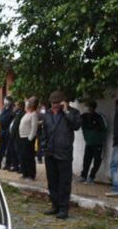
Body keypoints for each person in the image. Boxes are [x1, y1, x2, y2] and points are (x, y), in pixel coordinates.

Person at [39, 90, 81, 219]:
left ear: (63, 102)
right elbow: (44, 132)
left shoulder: (73, 113)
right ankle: (55, 205)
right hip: (50, 153)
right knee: (52, 182)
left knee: (64, 182)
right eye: (52, 103)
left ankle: (64, 208)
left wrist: (66, 111)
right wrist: (44, 146)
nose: (54, 105)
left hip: (64, 153)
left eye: (57, 103)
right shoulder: (47, 114)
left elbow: (76, 126)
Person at [79, 100, 107, 183]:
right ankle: (83, 176)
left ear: (93, 107)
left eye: (90, 107)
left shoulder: (99, 117)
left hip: (98, 143)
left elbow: (104, 129)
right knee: (86, 160)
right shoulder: (84, 117)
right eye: (88, 107)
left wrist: (100, 139)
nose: (88, 108)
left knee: (97, 160)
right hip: (89, 143)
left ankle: (91, 177)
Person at [18, 96, 38, 179]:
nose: (28, 104)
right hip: (22, 137)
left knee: (29, 157)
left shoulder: (34, 114)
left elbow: (34, 128)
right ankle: (24, 173)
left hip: (28, 138)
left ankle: (31, 174)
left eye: (30, 102)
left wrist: (30, 139)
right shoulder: (27, 113)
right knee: (23, 156)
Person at [0, 96, 14, 169]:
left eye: (7, 100)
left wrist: (1, 120)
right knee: (0, 148)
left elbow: (6, 121)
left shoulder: (11, 111)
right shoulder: (4, 109)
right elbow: (2, 119)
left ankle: (7, 164)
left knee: (8, 149)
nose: (5, 101)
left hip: (7, 132)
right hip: (2, 131)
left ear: (10, 102)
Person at [4, 100, 24, 171]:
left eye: (16, 105)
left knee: (17, 152)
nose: (15, 107)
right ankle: (14, 165)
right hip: (12, 135)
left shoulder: (21, 114)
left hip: (17, 136)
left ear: (20, 106)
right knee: (13, 151)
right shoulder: (15, 113)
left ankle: (19, 166)